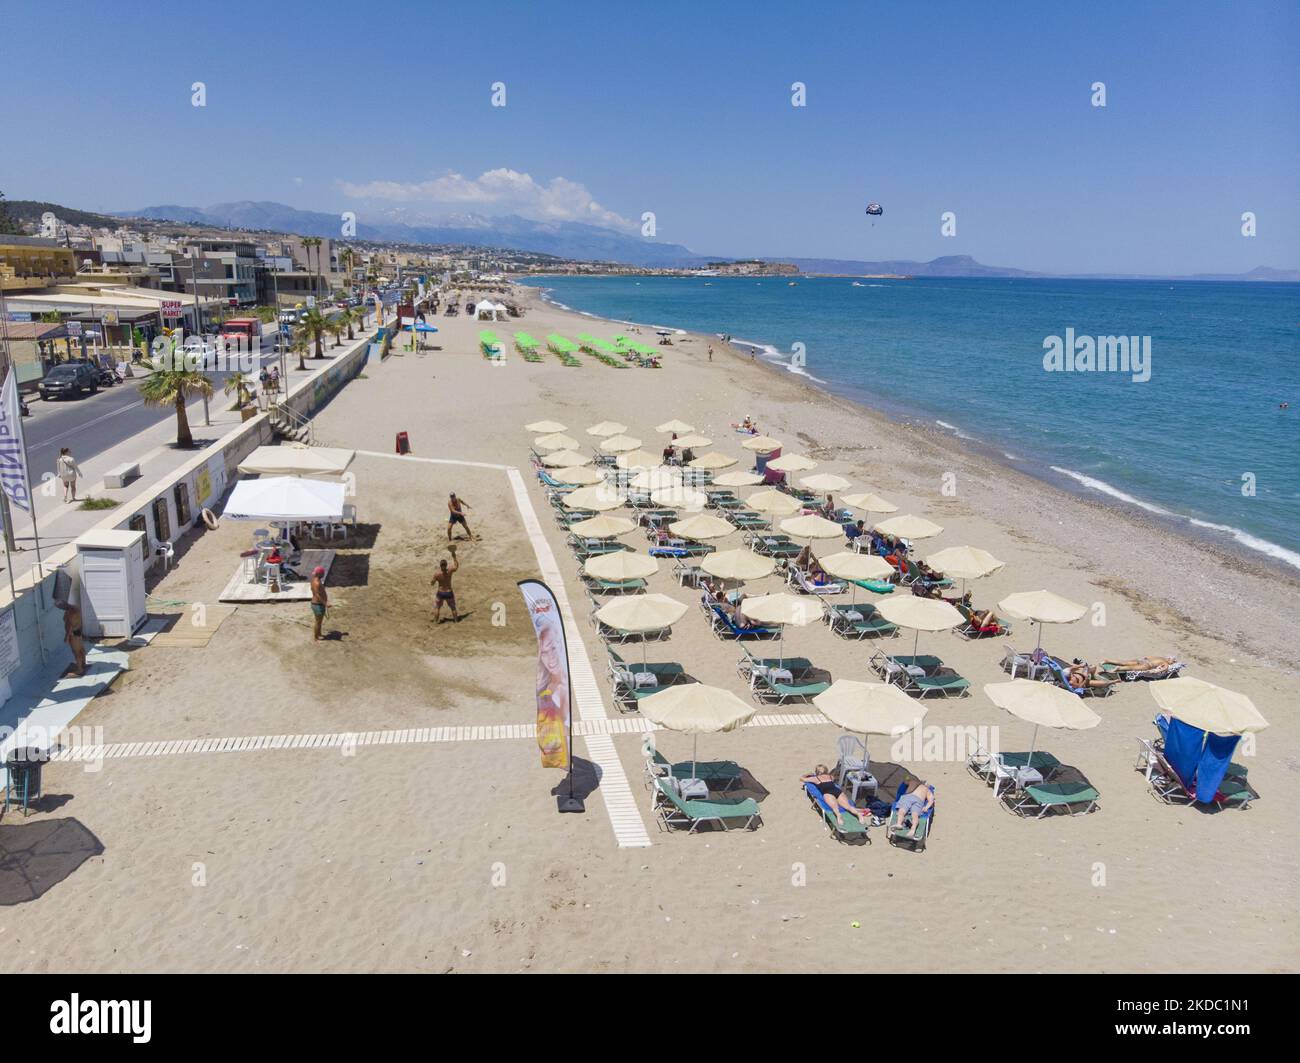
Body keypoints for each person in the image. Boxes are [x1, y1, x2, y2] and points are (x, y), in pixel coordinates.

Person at [800, 766, 870, 828]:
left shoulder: (815, 778)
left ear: (817, 772)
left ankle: (838, 816)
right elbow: (834, 778)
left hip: (827, 793)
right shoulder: (830, 777)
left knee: (834, 807)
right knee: (848, 806)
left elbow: (801, 779)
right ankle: (859, 815)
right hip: (838, 791)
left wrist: (808, 774)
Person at [55, 599, 86, 677]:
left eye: (60, 608)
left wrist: (66, 637)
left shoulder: (70, 613)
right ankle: (83, 663)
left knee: (76, 652)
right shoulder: (76, 608)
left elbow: (69, 627)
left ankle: (79, 670)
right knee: (81, 648)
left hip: (73, 634)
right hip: (78, 631)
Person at [432, 546, 460, 622]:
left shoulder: (437, 574)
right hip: (448, 592)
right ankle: (456, 621)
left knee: (437, 608)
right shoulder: (449, 571)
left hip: (440, 593)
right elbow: (456, 566)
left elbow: (432, 583)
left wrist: (434, 580)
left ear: (440, 566)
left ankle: (435, 621)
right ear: (446, 565)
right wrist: (454, 557)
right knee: (453, 608)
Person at [310, 565, 328, 641]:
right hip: (318, 604)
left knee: (319, 622)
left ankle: (319, 633)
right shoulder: (317, 583)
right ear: (320, 574)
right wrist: (325, 603)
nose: (324, 574)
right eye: (323, 573)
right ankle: (315, 638)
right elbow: (318, 595)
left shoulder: (314, 580)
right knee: (318, 622)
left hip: (317, 604)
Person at [1102, 655, 1179, 671]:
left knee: (1124, 662)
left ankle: (1107, 661)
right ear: (1169, 660)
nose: (1173, 663)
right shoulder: (1165, 662)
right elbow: (1164, 668)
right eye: (1173, 661)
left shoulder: (1160, 657)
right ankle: (1118, 668)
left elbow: (1148, 656)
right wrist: (1155, 671)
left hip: (1142, 660)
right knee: (1131, 668)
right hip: (1147, 665)